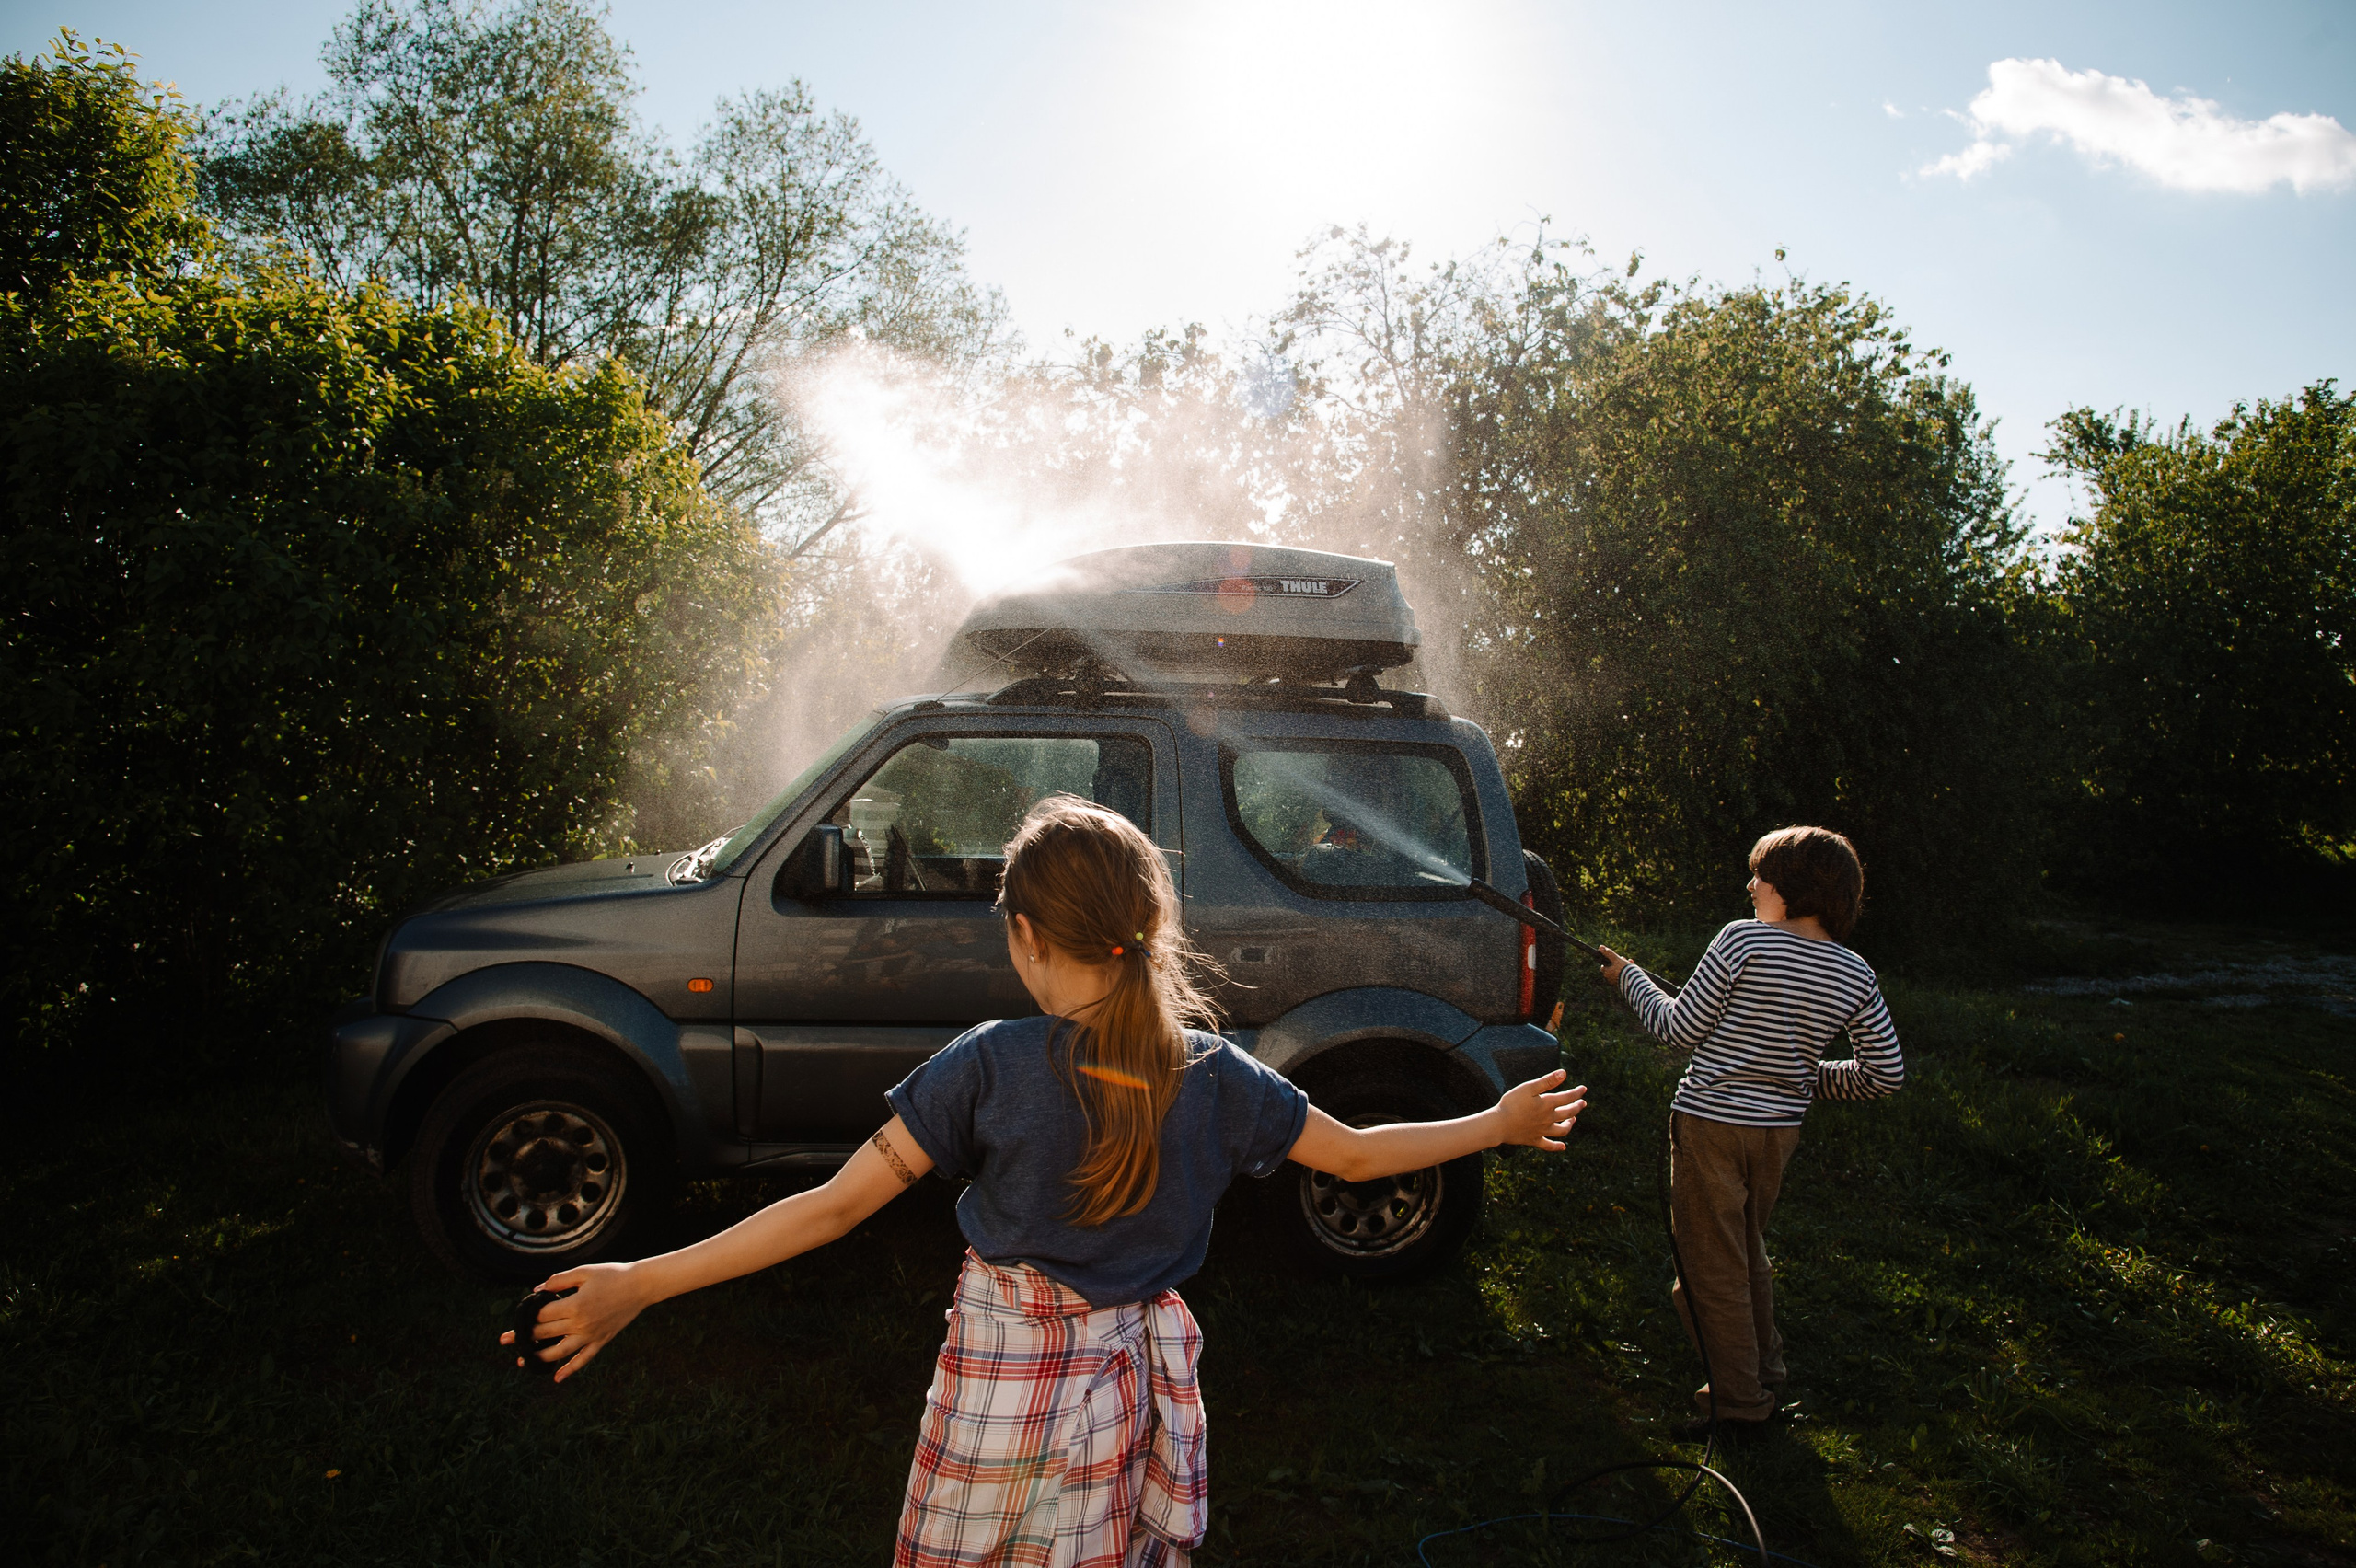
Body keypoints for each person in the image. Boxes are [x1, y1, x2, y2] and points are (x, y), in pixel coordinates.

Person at [505, 795, 1586, 1565]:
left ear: (1024, 937)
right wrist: (1492, 1121)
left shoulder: (987, 1065)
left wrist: (643, 1280)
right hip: (1130, 1399)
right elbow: (1354, 1155)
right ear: (1143, 933)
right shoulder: (1216, 1075)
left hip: (998, 1396)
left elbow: (828, 1210)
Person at [1596, 825, 1902, 1439]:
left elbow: (1678, 1030)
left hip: (1710, 1125)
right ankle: (1765, 1370)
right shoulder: (1855, 971)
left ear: (1791, 888)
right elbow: (1884, 1074)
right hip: (1777, 1136)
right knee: (1745, 1250)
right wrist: (1799, 1077)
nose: (1751, 885)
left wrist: (1628, 977)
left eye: (1760, 875)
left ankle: (1739, 1404)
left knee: (1709, 1269)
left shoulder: (1742, 940)